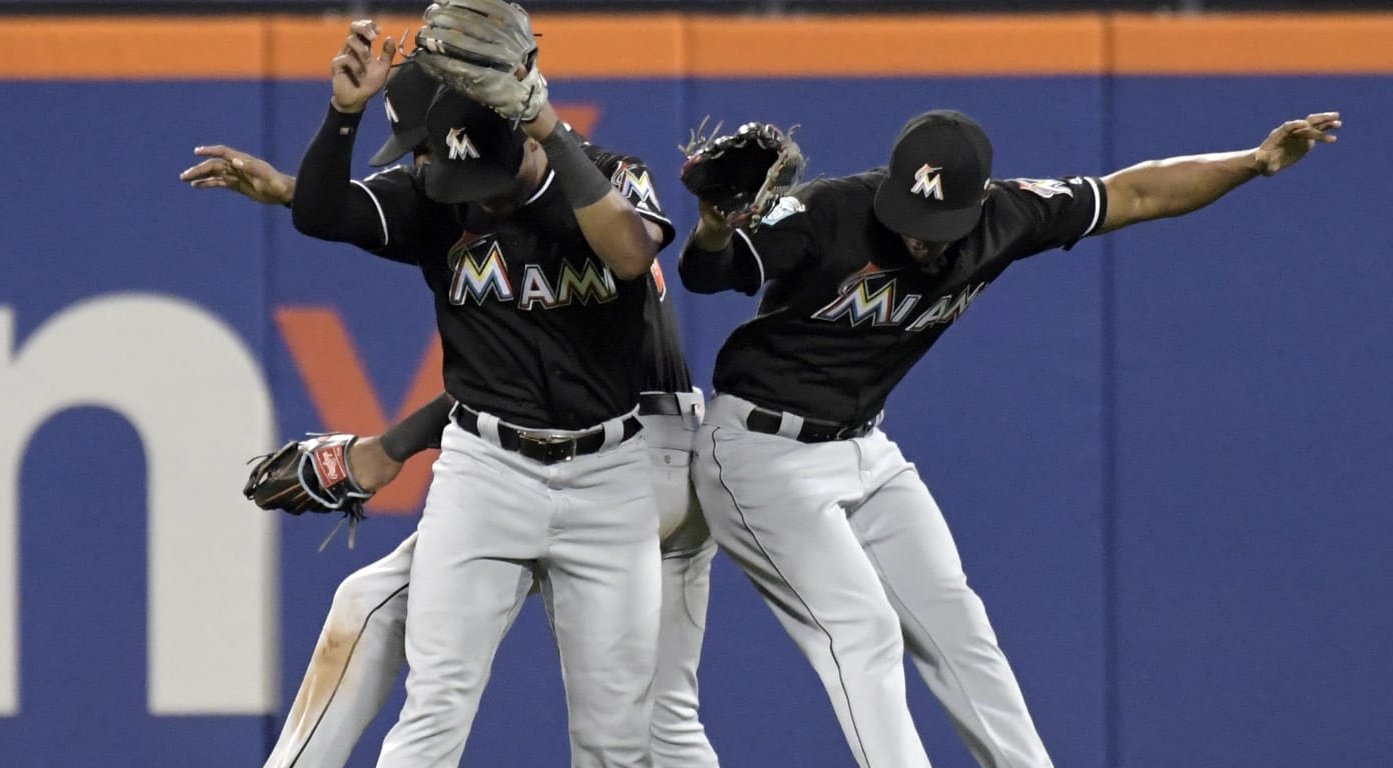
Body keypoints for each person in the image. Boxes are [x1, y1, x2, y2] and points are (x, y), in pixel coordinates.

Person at [678, 107, 1341, 768]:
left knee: (960, 630)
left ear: (975, 206)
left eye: (937, 227)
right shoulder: (832, 212)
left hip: (863, 446)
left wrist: (1252, 163)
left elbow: (1136, 191)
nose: (920, 240)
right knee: (862, 631)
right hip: (757, 452)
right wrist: (713, 223)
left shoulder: (1009, 216)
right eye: (911, 218)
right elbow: (707, 273)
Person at [180, 61, 719, 768]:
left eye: (439, 156)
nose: (468, 193)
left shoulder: (604, 185)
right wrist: (338, 121)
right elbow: (327, 214)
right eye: (430, 159)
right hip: (489, 468)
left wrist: (388, 448)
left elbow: (627, 256)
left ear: (520, 138)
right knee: (430, 700)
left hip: (628, 462)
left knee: (629, 737)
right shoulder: (438, 196)